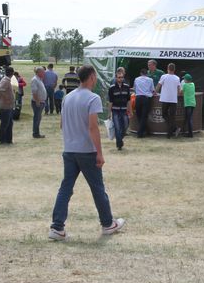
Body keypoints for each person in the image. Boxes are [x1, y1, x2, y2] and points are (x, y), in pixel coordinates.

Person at [48, 65, 125, 241]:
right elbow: (93, 127)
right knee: (98, 189)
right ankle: (107, 223)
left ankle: (57, 227)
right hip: (86, 151)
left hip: (69, 150)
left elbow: (62, 124)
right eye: (95, 76)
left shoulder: (67, 98)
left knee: (65, 188)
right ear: (91, 77)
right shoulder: (93, 98)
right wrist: (99, 152)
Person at [108, 69, 132, 150]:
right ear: (116, 78)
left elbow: (129, 100)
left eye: (122, 77)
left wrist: (130, 111)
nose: (120, 79)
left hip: (124, 110)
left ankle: (120, 139)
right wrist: (109, 112)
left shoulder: (126, 87)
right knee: (117, 127)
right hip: (115, 110)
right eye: (119, 77)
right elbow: (110, 101)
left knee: (125, 126)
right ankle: (119, 144)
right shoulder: (111, 88)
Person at [156, 63, 180, 138]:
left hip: (165, 98)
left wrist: (155, 92)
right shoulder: (177, 78)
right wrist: (178, 95)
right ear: (174, 69)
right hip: (173, 99)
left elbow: (158, 86)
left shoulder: (164, 76)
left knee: (164, 114)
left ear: (167, 68)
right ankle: (172, 132)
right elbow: (179, 89)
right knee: (172, 117)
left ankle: (174, 130)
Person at [0, 66, 15, 145]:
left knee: (9, 123)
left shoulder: (7, 80)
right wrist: (7, 98)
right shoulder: (5, 80)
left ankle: (8, 140)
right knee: (5, 124)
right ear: (12, 73)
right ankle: (2, 140)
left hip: (9, 106)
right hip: (5, 106)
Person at [133, 68, 154, 138]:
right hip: (146, 99)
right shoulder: (150, 80)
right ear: (146, 73)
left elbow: (134, 89)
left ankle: (142, 131)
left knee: (139, 115)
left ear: (140, 73)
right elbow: (152, 90)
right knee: (144, 116)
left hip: (138, 98)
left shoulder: (136, 79)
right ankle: (142, 132)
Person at [31, 66, 47, 138]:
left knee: (38, 118)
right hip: (37, 102)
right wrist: (37, 101)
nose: (44, 73)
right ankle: (35, 133)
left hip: (41, 101)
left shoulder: (39, 79)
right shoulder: (35, 80)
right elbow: (34, 92)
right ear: (39, 72)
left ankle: (37, 132)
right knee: (37, 118)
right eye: (43, 71)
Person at [181, 73, 196, 138]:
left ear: (186, 79)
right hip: (193, 103)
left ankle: (190, 134)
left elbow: (180, 92)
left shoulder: (185, 85)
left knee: (189, 119)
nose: (183, 79)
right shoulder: (193, 84)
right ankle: (184, 131)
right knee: (187, 118)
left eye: (184, 78)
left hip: (188, 103)